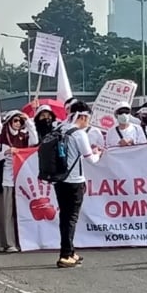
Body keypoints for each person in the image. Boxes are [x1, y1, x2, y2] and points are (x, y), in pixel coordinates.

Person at [52, 101, 100, 268]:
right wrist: (98, 153)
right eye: (88, 118)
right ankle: (65, 254)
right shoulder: (79, 134)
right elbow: (91, 159)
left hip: (59, 180)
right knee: (71, 218)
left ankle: (70, 250)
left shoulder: (59, 128)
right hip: (74, 181)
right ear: (82, 116)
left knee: (65, 217)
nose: (88, 121)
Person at [0, 110, 38, 252]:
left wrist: (28, 121)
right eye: (15, 121)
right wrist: (5, 153)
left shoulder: (23, 137)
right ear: (9, 122)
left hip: (21, 181)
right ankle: (7, 242)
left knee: (20, 213)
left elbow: (34, 142)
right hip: (5, 180)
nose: (18, 124)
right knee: (5, 213)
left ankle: (21, 241)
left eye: (20, 121)